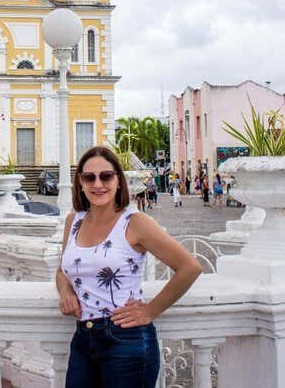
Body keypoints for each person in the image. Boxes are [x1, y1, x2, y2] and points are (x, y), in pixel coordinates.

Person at [57, 146, 203, 387]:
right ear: (80, 182)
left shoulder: (135, 223)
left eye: (106, 176)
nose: (98, 184)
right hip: (83, 338)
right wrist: (66, 292)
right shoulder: (74, 220)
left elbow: (190, 267)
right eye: (89, 177)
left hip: (125, 339)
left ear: (118, 180)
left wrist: (150, 310)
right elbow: (62, 270)